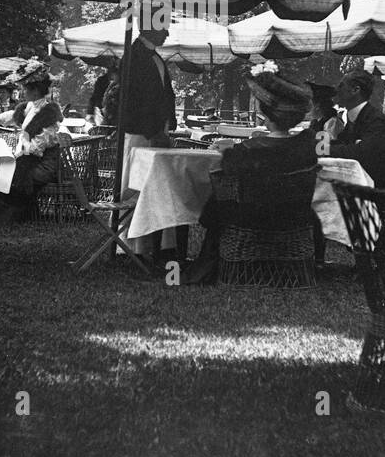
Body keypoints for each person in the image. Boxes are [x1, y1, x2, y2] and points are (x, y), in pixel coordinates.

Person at [185, 65, 318, 284]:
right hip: (294, 220)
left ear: (265, 111)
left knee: (218, 204)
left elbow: (223, 194)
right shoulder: (306, 148)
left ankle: (204, 265)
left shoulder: (245, 151)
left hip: (248, 221)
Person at [117, 24, 180, 259]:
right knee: (134, 186)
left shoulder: (154, 57)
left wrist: (166, 124)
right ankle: (129, 244)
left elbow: (164, 94)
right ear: (149, 29)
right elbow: (135, 100)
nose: (167, 33)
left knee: (154, 186)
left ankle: (155, 244)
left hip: (154, 131)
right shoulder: (134, 57)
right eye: (163, 29)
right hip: (140, 132)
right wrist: (153, 130)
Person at [0, 59, 62, 220]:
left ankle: (11, 214)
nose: (21, 92)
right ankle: (1, 213)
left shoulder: (48, 112)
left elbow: (37, 147)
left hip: (43, 163)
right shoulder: (30, 106)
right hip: (29, 158)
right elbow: (11, 116)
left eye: (24, 88)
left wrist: (15, 155)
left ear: (35, 91)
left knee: (4, 171)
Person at [329, 70, 385, 188]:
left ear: (355, 90)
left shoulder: (376, 120)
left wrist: (323, 149)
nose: (337, 90)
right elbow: (342, 143)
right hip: (372, 184)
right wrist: (318, 147)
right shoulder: (355, 118)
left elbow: (361, 153)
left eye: (341, 85)